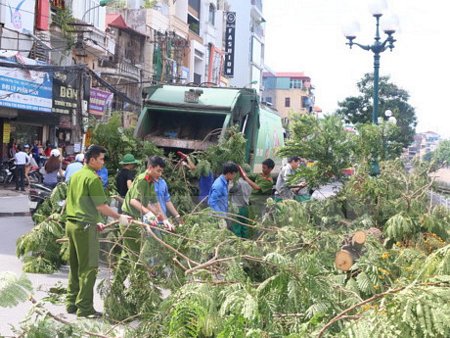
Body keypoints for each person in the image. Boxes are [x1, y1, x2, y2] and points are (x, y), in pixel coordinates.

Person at [65, 144, 131, 318]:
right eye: (101, 159)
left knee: (75, 265)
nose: (103, 162)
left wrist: (96, 222)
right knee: (89, 268)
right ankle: (85, 308)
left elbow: (80, 203)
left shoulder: (76, 175)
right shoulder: (92, 179)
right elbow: (101, 206)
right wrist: (119, 217)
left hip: (72, 224)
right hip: (85, 227)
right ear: (92, 159)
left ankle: (71, 302)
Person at [113, 156, 173, 290]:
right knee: (139, 257)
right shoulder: (142, 180)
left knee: (127, 257)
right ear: (150, 168)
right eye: (158, 171)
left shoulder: (151, 181)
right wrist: (148, 213)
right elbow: (133, 201)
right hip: (128, 220)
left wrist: (164, 220)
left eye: (161, 171)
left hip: (134, 221)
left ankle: (116, 286)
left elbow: (154, 203)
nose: (160, 174)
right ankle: (138, 290)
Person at [229, 165, 253, 238]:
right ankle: (245, 242)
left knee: (236, 227)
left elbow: (230, 190)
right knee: (244, 227)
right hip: (245, 208)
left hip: (237, 208)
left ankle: (237, 244)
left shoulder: (238, 183)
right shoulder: (250, 183)